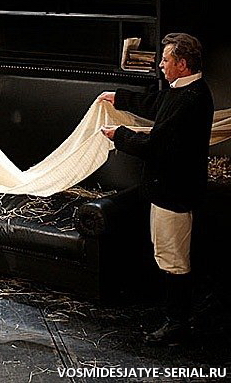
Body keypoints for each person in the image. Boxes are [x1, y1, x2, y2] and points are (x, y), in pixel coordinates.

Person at [98, 32, 214, 345]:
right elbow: (158, 103)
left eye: (165, 60)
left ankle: (177, 324)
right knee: (166, 253)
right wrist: (119, 97)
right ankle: (173, 317)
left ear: (182, 64)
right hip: (166, 190)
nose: (160, 65)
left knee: (174, 259)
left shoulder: (191, 99)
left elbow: (156, 146)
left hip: (175, 193)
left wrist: (119, 135)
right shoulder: (185, 90)